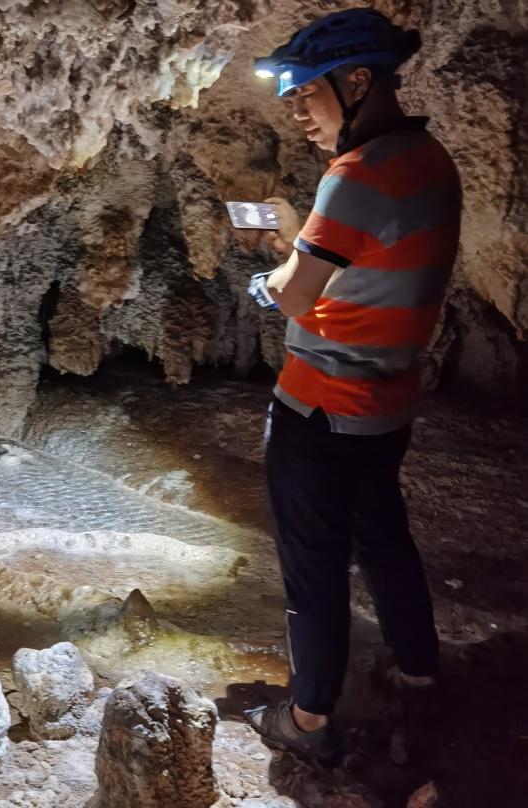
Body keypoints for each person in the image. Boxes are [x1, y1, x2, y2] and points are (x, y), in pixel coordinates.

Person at [242, 9, 462, 762]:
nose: (296, 110)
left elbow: (298, 295)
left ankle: (305, 722)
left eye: (306, 92)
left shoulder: (355, 172)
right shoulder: (427, 157)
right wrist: (300, 236)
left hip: (320, 406)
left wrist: (267, 277)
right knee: (383, 541)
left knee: (312, 563)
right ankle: (418, 672)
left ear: (357, 79)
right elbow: (363, 267)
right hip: (386, 406)